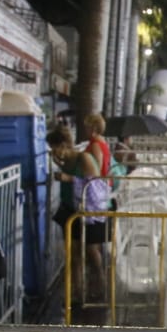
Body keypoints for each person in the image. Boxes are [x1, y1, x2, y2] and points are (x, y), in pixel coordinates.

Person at [47, 128, 111, 306]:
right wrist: (60, 165)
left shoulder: (84, 158)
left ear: (64, 145)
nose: (53, 152)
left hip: (90, 211)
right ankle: (78, 291)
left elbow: (94, 183)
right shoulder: (66, 160)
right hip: (71, 209)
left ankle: (101, 286)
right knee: (73, 252)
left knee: (92, 251)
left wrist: (69, 179)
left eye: (55, 148)